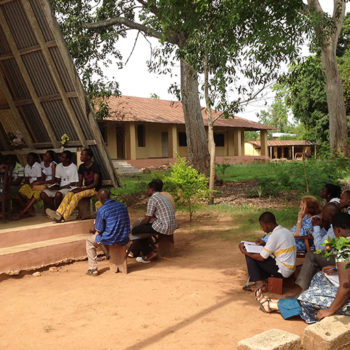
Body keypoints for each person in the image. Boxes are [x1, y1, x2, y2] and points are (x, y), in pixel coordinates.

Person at [255, 212, 350, 324]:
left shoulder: (345, 250)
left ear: (337, 231)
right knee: (318, 277)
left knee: (307, 297)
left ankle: (273, 305)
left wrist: (330, 310)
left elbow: (346, 287)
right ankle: (289, 301)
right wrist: (336, 268)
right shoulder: (345, 245)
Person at [239, 212, 296, 292]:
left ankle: (259, 284)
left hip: (282, 270)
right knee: (255, 254)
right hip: (290, 268)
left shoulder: (274, 235)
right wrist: (264, 244)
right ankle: (262, 279)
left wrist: (245, 252)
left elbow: (262, 258)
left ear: (268, 224)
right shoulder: (285, 231)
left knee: (250, 254)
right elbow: (278, 247)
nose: (262, 228)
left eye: (262, 226)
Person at [46, 148, 101, 222]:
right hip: (85, 188)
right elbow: (80, 182)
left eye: (82, 155)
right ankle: (58, 213)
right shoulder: (81, 167)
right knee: (69, 193)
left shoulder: (95, 166)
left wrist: (81, 189)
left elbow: (95, 183)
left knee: (76, 196)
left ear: (89, 157)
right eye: (81, 154)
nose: (80, 156)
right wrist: (77, 188)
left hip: (94, 189)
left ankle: (63, 217)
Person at [295, 202, 339, 291]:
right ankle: (312, 289)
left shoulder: (336, 229)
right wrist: (321, 227)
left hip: (339, 259)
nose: (321, 215)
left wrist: (316, 227)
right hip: (336, 256)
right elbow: (325, 241)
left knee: (311, 255)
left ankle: (301, 289)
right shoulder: (333, 226)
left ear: (330, 216)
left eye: (324, 213)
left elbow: (320, 248)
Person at [129, 180, 176, 263]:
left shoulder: (153, 199)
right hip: (171, 225)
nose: (147, 191)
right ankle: (145, 249)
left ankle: (149, 252)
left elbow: (147, 218)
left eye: (148, 189)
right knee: (144, 229)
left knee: (136, 230)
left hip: (163, 226)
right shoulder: (163, 197)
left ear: (152, 189)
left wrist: (139, 225)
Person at [85, 188, 130, 276]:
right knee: (105, 233)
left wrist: (92, 229)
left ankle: (93, 268)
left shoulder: (102, 210)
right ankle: (107, 253)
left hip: (111, 238)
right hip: (124, 237)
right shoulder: (122, 205)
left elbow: (99, 229)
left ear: (100, 198)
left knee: (90, 240)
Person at [16, 153, 43, 218]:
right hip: (30, 185)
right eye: (27, 158)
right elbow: (26, 179)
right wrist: (29, 185)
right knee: (22, 190)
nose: (28, 160)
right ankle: (30, 211)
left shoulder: (38, 166)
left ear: (35, 159)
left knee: (35, 194)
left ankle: (24, 212)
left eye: (30, 158)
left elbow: (39, 179)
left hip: (39, 185)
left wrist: (32, 184)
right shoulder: (26, 167)